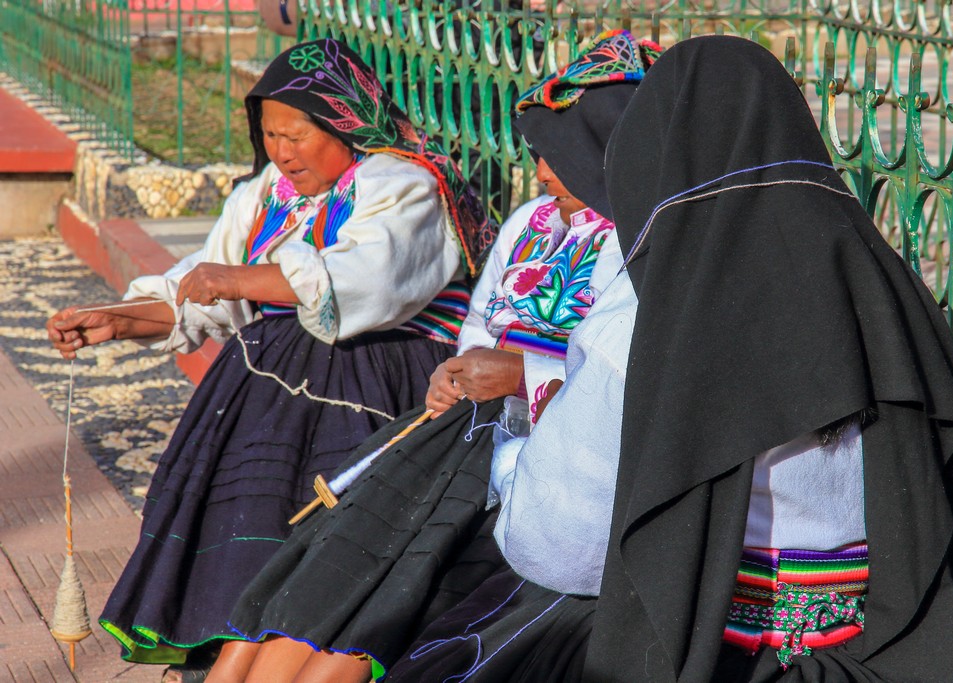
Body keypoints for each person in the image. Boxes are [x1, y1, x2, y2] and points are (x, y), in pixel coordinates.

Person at [388, 35, 953, 682]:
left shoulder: (652, 314)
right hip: (897, 654)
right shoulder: (887, 287)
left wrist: (512, 474)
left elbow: (559, 541)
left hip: (726, 659)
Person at [213, 29, 661, 683]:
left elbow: (624, 383)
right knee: (332, 561)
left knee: (395, 585)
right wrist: (466, 369)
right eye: (538, 154)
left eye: (558, 155)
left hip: (551, 464)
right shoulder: (531, 223)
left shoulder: (641, 245)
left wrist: (518, 376)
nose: (539, 172)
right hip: (465, 433)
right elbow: (481, 320)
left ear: (611, 148)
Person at [45, 37, 491, 680]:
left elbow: (367, 281)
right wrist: (119, 320)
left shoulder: (403, 186)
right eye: (270, 134)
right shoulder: (264, 195)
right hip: (264, 398)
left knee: (327, 553)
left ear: (345, 121)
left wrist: (240, 280)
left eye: (297, 134)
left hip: (370, 393)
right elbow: (200, 288)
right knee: (249, 536)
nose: (281, 151)